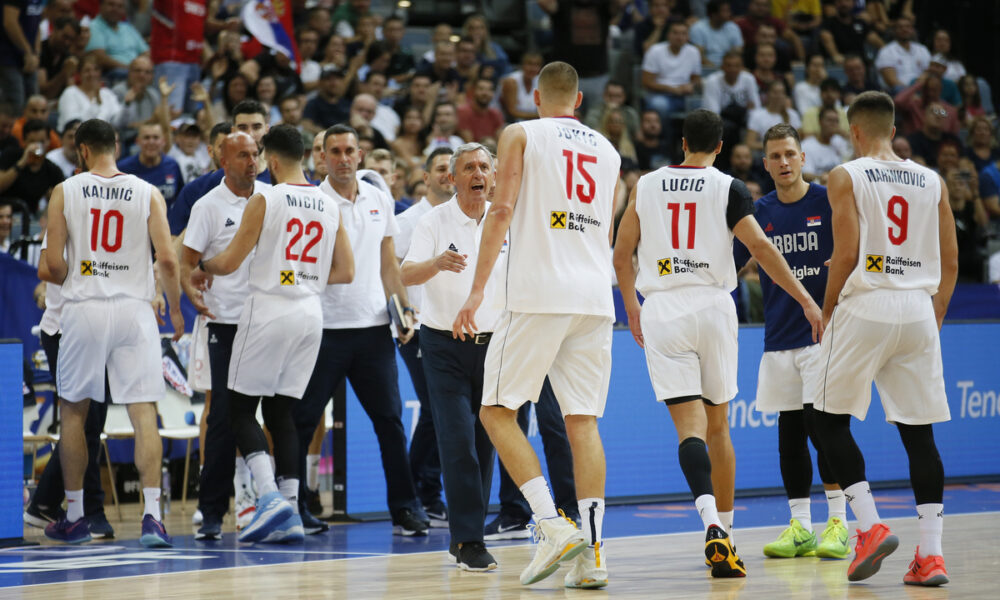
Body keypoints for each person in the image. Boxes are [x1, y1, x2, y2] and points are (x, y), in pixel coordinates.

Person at [614, 108, 823, 578]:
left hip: (663, 308)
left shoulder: (646, 184)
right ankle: (725, 534)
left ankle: (708, 522)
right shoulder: (729, 186)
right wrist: (808, 301)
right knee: (718, 427)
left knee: (688, 430)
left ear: (682, 142)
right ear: (721, 147)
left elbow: (621, 255)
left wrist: (631, 307)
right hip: (712, 306)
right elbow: (763, 250)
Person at [453, 61, 620, 589]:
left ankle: (549, 522)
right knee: (583, 422)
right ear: (578, 101)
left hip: (540, 292)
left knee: (496, 411)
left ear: (535, 94)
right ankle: (592, 554)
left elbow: (500, 210)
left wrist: (477, 290)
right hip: (595, 296)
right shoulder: (610, 150)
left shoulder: (519, 132)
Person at [808, 91, 957, 586]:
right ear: (894, 130)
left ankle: (868, 526)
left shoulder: (846, 174)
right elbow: (951, 261)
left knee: (824, 416)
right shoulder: (932, 180)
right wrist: (932, 316)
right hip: (916, 307)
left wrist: (827, 310)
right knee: (920, 435)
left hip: (866, 304)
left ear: (853, 131)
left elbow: (847, 252)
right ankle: (931, 555)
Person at [201, 124, 354, 543]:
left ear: (270, 160)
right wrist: (308, 275)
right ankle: (292, 507)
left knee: (237, 409)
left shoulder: (265, 197)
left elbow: (230, 262)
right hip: (310, 312)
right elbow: (347, 271)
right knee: (282, 412)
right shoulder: (328, 203)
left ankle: (268, 496)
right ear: (306, 156)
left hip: (269, 307)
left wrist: (202, 265)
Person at [41, 117, 183, 546]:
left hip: (86, 307)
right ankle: (154, 516)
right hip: (135, 310)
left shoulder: (65, 190)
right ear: (116, 146)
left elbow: (54, 265)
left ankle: (77, 515)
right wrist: (174, 310)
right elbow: (169, 261)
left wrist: (68, 273)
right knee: (144, 414)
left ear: (81, 150)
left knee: (74, 413)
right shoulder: (147, 191)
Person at [296, 124, 428, 536]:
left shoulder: (379, 197)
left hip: (373, 330)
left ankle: (405, 509)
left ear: (360, 154)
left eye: (349, 150)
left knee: (390, 421)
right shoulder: (312, 201)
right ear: (323, 158)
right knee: (303, 421)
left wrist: (402, 310)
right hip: (323, 330)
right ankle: (298, 506)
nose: (342, 157)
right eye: (334, 150)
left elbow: (389, 261)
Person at [733, 123, 850, 560]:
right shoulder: (758, 211)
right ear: (764, 164)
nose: (783, 162)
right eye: (775, 156)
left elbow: (856, 254)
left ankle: (839, 522)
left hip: (824, 336)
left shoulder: (827, 202)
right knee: (789, 435)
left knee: (826, 432)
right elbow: (729, 266)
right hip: (778, 338)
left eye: (789, 154)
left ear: (803, 158)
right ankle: (800, 525)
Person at [400, 142, 503, 571]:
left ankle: (465, 538)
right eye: (468, 168)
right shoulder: (432, 221)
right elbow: (405, 273)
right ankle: (470, 540)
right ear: (454, 178)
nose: (477, 173)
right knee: (459, 440)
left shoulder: (506, 220)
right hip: (442, 345)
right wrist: (437, 264)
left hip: (495, 344)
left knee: (486, 443)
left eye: (484, 166)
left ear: (493, 176)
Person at [180, 131, 274, 540]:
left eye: (255, 154)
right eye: (242, 155)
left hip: (268, 320)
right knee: (222, 416)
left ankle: (281, 501)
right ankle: (213, 511)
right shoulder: (207, 206)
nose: (251, 162)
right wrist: (192, 292)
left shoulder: (273, 197)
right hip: (225, 322)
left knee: (277, 412)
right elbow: (186, 264)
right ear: (222, 160)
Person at [393, 148, 454, 526]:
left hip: (452, 327)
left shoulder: (464, 218)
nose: (449, 175)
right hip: (415, 329)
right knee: (434, 408)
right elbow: (389, 274)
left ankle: (424, 492)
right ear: (426, 176)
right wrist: (402, 319)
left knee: (445, 410)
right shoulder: (405, 222)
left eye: (454, 169)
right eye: (441, 169)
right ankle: (422, 491)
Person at [0, 118, 64, 214]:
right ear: (24, 142)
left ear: (48, 142)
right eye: (32, 142)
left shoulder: (51, 169)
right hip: (4, 214)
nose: (37, 146)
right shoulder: (11, 155)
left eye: (41, 142)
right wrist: (22, 162)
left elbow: (62, 200)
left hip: (30, 219)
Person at [118, 122, 185, 208]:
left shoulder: (172, 165)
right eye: (146, 138)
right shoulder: (123, 168)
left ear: (163, 141)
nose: (151, 142)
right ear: (137, 141)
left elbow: (180, 200)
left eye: (156, 137)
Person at [0, 0, 42, 114]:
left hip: (30, 58)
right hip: (8, 58)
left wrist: (36, 53)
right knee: (15, 106)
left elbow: (37, 24)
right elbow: (9, 22)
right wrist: (27, 51)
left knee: (35, 104)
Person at [874, 16, 929, 93]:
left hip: (920, 89)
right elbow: (891, 81)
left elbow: (928, 72)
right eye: (900, 27)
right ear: (894, 31)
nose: (904, 29)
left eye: (908, 27)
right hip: (898, 92)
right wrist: (910, 92)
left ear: (912, 30)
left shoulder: (922, 49)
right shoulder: (886, 51)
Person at [801, 107, 853, 183]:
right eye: (830, 121)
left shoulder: (839, 141)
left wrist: (845, 135)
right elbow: (805, 175)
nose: (833, 125)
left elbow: (853, 160)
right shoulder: (806, 145)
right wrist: (823, 177)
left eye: (836, 121)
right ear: (820, 122)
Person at [690, 1, 744, 68]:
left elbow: (738, 51)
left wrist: (727, 67)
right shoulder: (698, 28)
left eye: (728, 10)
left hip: (728, 67)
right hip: (706, 68)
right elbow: (699, 56)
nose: (729, 13)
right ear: (714, 14)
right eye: (725, 11)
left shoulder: (733, 27)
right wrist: (716, 68)